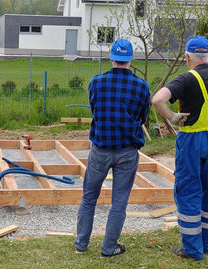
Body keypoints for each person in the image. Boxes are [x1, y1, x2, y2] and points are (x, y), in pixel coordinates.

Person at [152, 35, 208, 260]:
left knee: (188, 192)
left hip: (191, 140)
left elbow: (157, 100)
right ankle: (206, 243)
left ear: (187, 58)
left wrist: (173, 117)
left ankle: (192, 250)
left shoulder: (185, 79)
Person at [74, 39, 150, 258]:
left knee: (89, 198)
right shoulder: (141, 86)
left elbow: (94, 108)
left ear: (111, 58)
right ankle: (108, 248)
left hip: (100, 150)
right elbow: (143, 117)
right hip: (127, 152)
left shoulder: (96, 82)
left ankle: (81, 244)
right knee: (119, 202)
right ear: (131, 59)